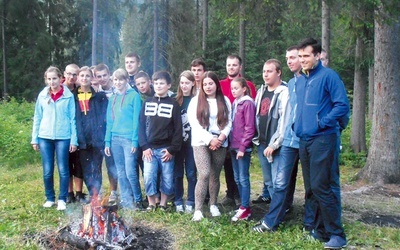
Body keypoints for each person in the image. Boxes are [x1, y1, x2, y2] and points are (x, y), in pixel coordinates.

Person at [295, 38, 349, 249]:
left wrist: (322, 122)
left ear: (317, 55)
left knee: (322, 186)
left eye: (306, 56)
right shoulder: (300, 79)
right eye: (300, 56)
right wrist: (296, 126)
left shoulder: (329, 76)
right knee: (311, 188)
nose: (302, 60)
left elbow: (342, 106)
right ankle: (320, 230)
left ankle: (337, 234)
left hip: (324, 139)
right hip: (304, 140)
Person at [31, 66, 78, 211]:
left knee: (63, 169)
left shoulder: (68, 96)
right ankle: (50, 198)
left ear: (60, 79)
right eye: (49, 79)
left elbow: (73, 119)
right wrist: (35, 138)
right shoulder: (43, 95)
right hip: (45, 137)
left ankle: (62, 199)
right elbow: (37, 117)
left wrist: (73, 140)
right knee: (47, 169)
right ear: (46, 80)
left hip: (63, 137)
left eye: (54, 78)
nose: (52, 82)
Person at [188, 71, 232, 221]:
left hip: (220, 141)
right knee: (204, 173)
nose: (207, 86)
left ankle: (213, 204)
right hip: (201, 141)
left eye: (210, 83)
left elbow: (229, 121)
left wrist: (221, 137)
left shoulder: (225, 100)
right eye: (205, 84)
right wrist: (209, 139)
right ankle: (198, 209)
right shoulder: (195, 101)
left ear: (216, 85)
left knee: (215, 175)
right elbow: (194, 123)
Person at [139, 71, 182, 211]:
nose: (158, 86)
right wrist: (144, 146)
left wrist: (172, 149)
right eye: (156, 83)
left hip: (166, 149)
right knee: (149, 176)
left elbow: (177, 129)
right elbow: (140, 126)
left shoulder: (174, 104)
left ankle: (163, 203)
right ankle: (151, 203)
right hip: (149, 149)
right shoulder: (147, 102)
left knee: (167, 177)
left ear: (169, 85)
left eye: (162, 83)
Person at [219, 54, 258, 207]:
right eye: (229, 65)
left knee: (241, 173)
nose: (231, 68)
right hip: (227, 131)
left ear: (240, 67)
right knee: (229, 167)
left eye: (234, 65)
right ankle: (231, 193)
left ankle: (241, 200)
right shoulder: (221, 84)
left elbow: (250, 115)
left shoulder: (247, 85)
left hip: (242, 135)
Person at [251, 59, 288, 212]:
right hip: (262, 142)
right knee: (268, 180)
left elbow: (284, 121)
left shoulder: (283, 93)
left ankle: (281, 210)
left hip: (276, 145)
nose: (266, 74)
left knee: (278, 180)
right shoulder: (261, 91)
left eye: (270, 71)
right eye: (264, 71)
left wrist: (275, 144)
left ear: (278, 72)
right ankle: (276, 209)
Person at [104, 68, 143, 210]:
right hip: (115, 139)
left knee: (130, 172)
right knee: (120, 172)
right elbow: (109, 121)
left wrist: (135, 141)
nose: (118, 82)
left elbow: (136, 121)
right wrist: (107, 142)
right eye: (115, 80)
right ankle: (127, 201)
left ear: (126, 80)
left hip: (128, 140)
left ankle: (138, 199)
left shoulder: (134, 96)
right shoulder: (112, 98)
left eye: (121, 79)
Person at [74, 66, 108, 201]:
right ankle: (91, 193)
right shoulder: (73, 97)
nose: (84, 78)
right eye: (82, 76)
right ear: (78, 78)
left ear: (92, 78)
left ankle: (96, 194)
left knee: (97, 167)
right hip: (82, 138)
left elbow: (104, 118)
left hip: (97, 139)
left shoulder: (99, 97)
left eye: (87, 76)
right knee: (87, 167)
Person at [229, 77, 256, 222]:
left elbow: (250, 128)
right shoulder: (235, 103)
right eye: (232, 89)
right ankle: (243, 207)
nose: (233, 91)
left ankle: (245, 207)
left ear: (244, 89)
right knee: (237, 178)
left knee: (243, 178)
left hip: (242, 148)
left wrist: (243, 147)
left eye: (236, 88)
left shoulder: (247, 103)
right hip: (233, 146)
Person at [94, 63, 118, 203]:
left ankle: (114, 191)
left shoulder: (117, 90)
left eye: (104, 75)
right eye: (99, 76)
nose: (102, 78)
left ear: (109, 74)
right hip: (99, 133)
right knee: (97, 164)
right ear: (96, 77)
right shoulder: (96, 92)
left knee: (112, 164)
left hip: (115, 131)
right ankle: (99, 190)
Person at [174, 70, 197, 213]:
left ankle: (191, 200)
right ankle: (178, 200)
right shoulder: (176, 101)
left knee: (191, 173)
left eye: (187, 83)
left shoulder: (197, 100)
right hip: (177, 144)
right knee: (177, 173)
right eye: (182, 83)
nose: (184, 86)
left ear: (193, 83)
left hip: (193, 143)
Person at [62, 64, 86, 203]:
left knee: (78, 163)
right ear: (64, 74)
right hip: (63, 133)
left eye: (75, 74)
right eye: (69, 74)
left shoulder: (80, 91)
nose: (72, 77)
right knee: (66, 164)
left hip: (79, 132)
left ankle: (79, 192)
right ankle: (69, 193)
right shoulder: (60, 90)